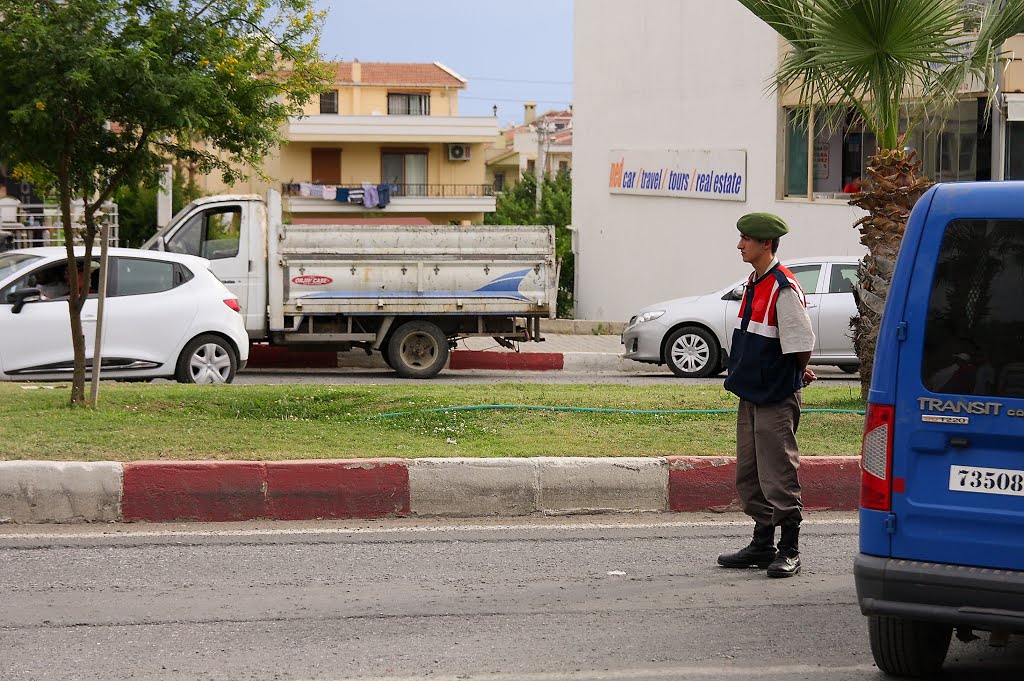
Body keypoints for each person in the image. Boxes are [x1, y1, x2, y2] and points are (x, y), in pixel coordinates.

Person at [717, 212, 816, 578]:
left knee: (778, 474)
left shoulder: (783, 286)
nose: (740, 244)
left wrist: (795, 372)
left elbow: (801, 343)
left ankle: (790, 548)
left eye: (746, 239)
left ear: (766, 244)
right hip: (752, 393)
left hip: (774, 395)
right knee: (750, 474)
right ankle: (762, 544)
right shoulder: (754, 282)